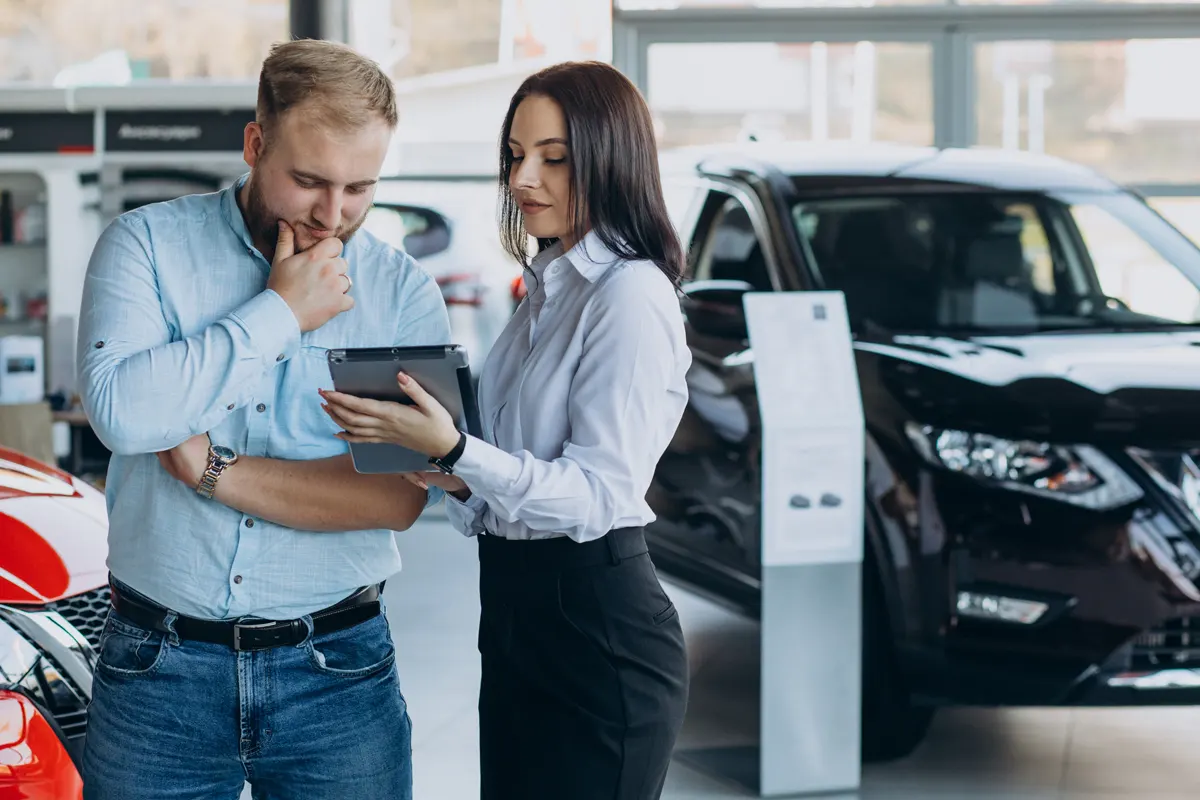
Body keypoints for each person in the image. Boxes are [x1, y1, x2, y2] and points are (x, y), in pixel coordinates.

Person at [76, 39, 449, 800]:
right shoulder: (143, 248)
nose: (333, 215)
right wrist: (281, 312)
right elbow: (123, 415)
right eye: (309, 181)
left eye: (360, 188)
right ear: (255, 144)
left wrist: (215, 472)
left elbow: (398, 498)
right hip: (156, 669)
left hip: (337, 673)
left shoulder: (403, 293)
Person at [320, 60, 691, 799]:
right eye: (515, 155)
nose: (523, 178)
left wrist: (459, 449)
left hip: (599, 629)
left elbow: (595, 496)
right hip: (516, 615)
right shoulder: (546, 288)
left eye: (553, 158)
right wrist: (450, 469)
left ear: (610, 158)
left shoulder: (629, 295)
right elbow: (517, 471)